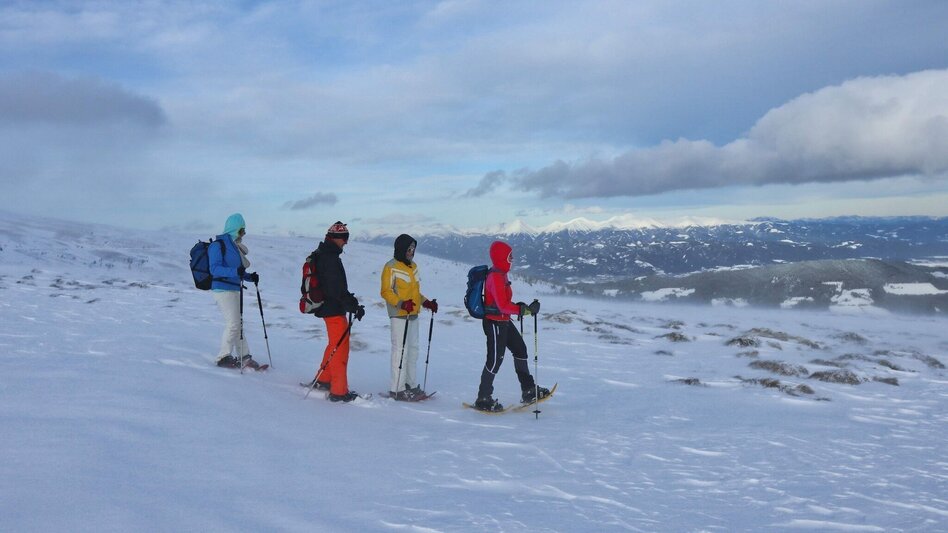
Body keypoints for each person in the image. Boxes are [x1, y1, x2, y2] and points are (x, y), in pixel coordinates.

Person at [474, 240, 549, 411]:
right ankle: (483, 398)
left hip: (504, 321)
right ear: (501, 257)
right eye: (509, 256)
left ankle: (528, 390)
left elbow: (505, 303)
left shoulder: (502, 274)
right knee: (495, 360)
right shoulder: (495, 277)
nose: (512, 259)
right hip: (494, 323)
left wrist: (522, 308)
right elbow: (502, 306)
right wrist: (525, 310)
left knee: (520, 350)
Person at [308, 221, 365, 402]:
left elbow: (334, 287)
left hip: (328, 307)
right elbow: (335, 288)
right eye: (344, 238)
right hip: (333, 309)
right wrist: (351, 304)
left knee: (334, 344)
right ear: (336, 238)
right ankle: (339, 392)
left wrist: (349, 301)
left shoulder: (323, 254)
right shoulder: (330, 258)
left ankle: (323, 379)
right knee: (340, 348)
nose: (346, 242)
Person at [380, 234, 438, 401]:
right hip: (399, 315)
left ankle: (410, 385)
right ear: (401, 249)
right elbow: (386, 291)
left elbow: (415, 293)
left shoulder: (413, 267)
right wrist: (401, 303)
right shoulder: (390, 267)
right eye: (408, 249)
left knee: (413, 351)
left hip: (413, 314)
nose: (411, 252)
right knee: (401, 351)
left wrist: (427, 303)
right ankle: (396, 389)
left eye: (413, 249)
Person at [208, 213, 262, 369]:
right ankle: (222, 357)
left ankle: (244, 356)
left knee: (238, 324)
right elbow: (214, 269)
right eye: (241, 230)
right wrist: (235, 272)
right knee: (233, 324)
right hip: (222, 289)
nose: (243, 234)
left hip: (233, 288)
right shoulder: (217, 245)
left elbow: (237, 270)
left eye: (244, 231)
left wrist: (249, 277)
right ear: (233, 229)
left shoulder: (233, 246)